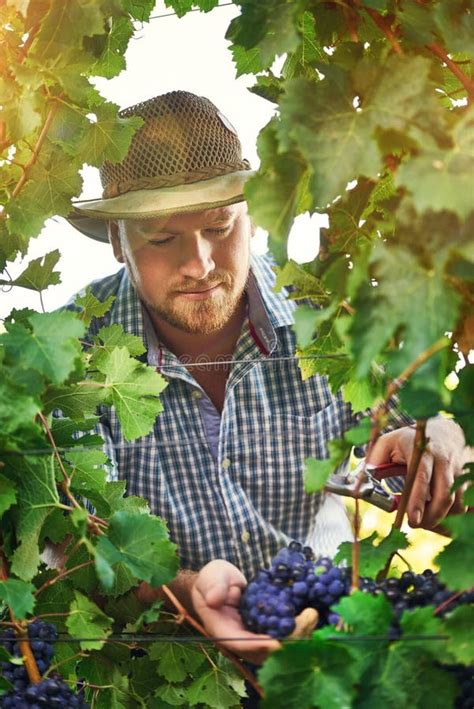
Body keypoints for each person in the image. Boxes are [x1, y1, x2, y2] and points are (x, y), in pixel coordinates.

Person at [68, 90, 467, 664]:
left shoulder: (325, 316)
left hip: (338, 649)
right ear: (117, 241)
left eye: (219, 227)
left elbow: (426, 442)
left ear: (251, 217)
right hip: (167, 675)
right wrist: (184, 593)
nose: (200, 264)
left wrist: (439, 442)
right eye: (162, 239)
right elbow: (73, 543)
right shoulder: (75, 354)